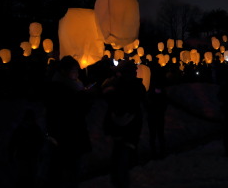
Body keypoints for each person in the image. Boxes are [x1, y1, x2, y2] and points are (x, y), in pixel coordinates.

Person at [43, 55, 93, 188]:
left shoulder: (71, 87)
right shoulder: (61, 89)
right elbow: (73, 112)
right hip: (66, 137)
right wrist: (84, 97)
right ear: (64, 71)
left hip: (68, 136)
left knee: (67, 172)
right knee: (66, 172)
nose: (77, 73)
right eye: (74, 70)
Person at [102, 60, 147, 188]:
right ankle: (120, 181)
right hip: (126, 127)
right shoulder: (125, 86)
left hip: (126, 128)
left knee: (121, 158)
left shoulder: (125, 87)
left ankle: (120, 181)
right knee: (120, 158)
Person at [8, 109, 45, 188]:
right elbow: (13, 143)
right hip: (24, 157)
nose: (29, 121)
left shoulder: (35, 129)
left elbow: (41, 143)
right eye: (28, 119)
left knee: (29, 177)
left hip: (31, 157)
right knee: (23, 177)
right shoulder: (21, 129)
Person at [146, 62, 168, 159]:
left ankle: (157, 151)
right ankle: (157, 151)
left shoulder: (153, 86)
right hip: (156, 111)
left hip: (155, 111)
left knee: (156, 133)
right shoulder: (155, 85)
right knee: (157, 133)